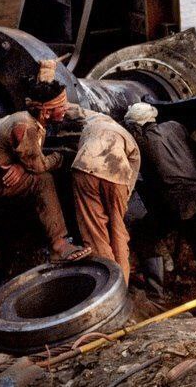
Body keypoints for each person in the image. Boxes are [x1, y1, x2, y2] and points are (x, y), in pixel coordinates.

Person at [0, 59, 91, 316]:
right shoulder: (26, 128)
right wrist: (62, 156)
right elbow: (39, 166)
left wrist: (47, 69)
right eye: (61, 107)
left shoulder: (32, 111)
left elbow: (44, 91)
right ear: (46, 112)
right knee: (42, 181)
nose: (65, 109)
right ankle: (59, 243)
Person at [122, 103, 196, 291]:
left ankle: (156, 290)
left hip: (178, 203)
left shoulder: (141, 140)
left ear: (135, 126)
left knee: (144, 234)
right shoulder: (174, 126)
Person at [71, 107, 141, 282]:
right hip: (117, 173)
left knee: (95, 232)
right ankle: (121, 286)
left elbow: (73, 109)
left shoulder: (93, 120)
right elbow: (133, 168)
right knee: (118, 231)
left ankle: (106, 286)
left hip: (86, 167)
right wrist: (123, 199)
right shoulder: (127, 136)